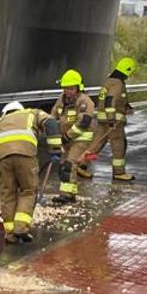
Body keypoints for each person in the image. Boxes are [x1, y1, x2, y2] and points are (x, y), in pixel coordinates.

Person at [0, 100, 60, 244]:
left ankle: (10, 234)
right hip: (25, 155)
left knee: (7, 193)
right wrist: (55, 148)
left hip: (2, 159)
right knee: (28, 190)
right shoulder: (32, 113)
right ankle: (21, 228)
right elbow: (51, 123)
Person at [49, 70, 96, 203]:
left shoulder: (85, 101)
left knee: (69, 164)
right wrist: (53, 133)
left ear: (78, 87)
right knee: (63, 165)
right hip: (66, 139)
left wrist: (67, 137)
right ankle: (68, 193)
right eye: (65, 88)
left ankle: (67, 196)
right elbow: (53, 116)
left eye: (71, 88)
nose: (68, 91)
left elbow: (84, 123)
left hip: (81, 138)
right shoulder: (62, 99)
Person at [87, 57, 136, 181]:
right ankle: (119, 172)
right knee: (119, 145)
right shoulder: (118, 83)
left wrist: (126, 106)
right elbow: (110, 101)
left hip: (102, 119)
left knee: (96, 145)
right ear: (127, 71)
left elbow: (115, 99)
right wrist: (111, 120)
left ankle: (81, 165)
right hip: (113, 121)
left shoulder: (108, 81)